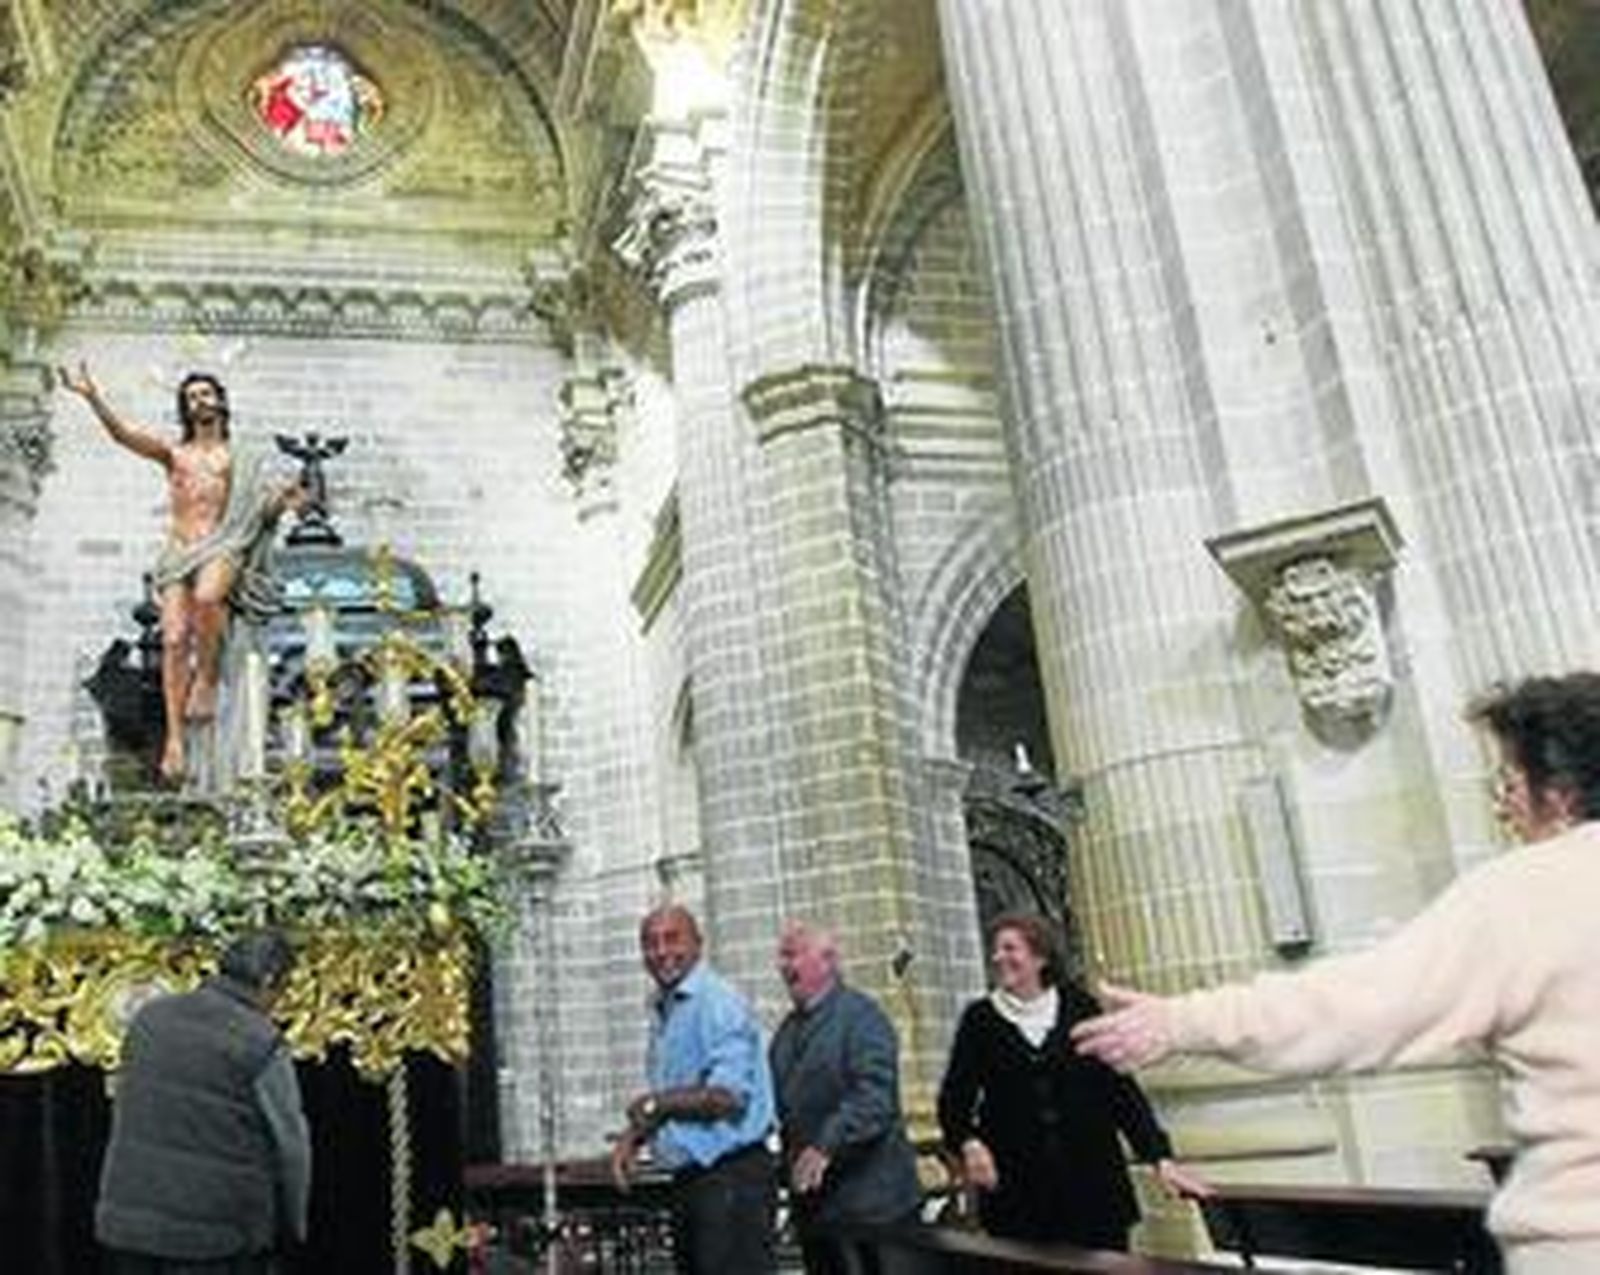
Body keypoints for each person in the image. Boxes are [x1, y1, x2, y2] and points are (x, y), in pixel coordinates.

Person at [1071, 672, 1600, 1275]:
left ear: (1557, 792)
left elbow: (1360, 1006)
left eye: (1508, 780)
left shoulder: (1528, 891)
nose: (1500, 802)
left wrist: (1180, 1021)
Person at [58, 363, 301, 783]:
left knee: (208, 598)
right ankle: (175, 739)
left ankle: (205, 678)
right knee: (171, 639)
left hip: (223, 544)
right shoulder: (176, 454)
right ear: (185, 409)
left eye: (206, 394)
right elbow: (124, 436)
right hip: (179, 550)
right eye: (191, 397)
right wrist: (93, 397)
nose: (200, 401)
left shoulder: (240, 457)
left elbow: (259, 512)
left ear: (221, 401)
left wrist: (285, 503)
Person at [937, 912, 1207, 1252]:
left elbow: (1121, 1092)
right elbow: (953, 1101)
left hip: (1093, 1188)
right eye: (996, 950)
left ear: (1041, 957)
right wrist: (969, 1144)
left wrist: (1160, 1158)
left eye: (1010, 948)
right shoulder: (979, 1020)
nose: (998, 958)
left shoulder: (1080, 1008)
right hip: (1019, 1196)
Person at [97, 930, 310, 1275]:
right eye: (283, 989)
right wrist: (291, 1228)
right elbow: (290, 1145)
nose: (279, 1002)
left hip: (129, 1226)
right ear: (270, 980)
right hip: (214, 1237)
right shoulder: (260, 1040)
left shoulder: (149, 1018)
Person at [610, 904, 777, 1274]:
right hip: (695, 1183)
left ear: (698, 944)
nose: (661, 951)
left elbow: (729, 1097)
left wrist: (657, 1105)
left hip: (731, 1180)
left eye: (673, 939)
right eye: (650, 943)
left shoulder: (717, 1001)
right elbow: (673, 1093)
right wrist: (632, 1139)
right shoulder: (666, 1007)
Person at [769, 921, 921, 1274]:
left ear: (828, 961)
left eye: (793, 954)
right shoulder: (784, 1035)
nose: (784, 966)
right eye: (781, 956)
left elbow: (874, 1098)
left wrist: (826, 1144)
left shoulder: (861, 1017)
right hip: (818, 1212)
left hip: (876, 1210)